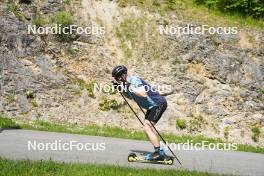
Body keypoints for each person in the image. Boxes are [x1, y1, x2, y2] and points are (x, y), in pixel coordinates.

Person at [112, 65, 168, 160]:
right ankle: (160, 151)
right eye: (117, 79)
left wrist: (129, 86)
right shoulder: (126, 84)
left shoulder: (134, 80)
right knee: (147, 128)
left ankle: (159, 153)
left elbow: (143, 94)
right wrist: (121, 89)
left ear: (124, 75)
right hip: (151, 106)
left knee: (147, 127)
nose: (118, 80)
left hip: (158, 103)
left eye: (118, 78)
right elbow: (130, 97)